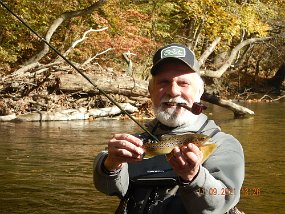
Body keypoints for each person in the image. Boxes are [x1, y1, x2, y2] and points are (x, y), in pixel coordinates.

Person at [93, 44, 245, 214]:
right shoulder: (139, 142)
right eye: (164, 82)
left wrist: (194, 177)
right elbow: (109, 189)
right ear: (150, 90)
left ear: (199, 92)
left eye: (183, 83)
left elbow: (221, 201)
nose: (173, 91)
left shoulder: (223, 144)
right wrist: (110, 164)